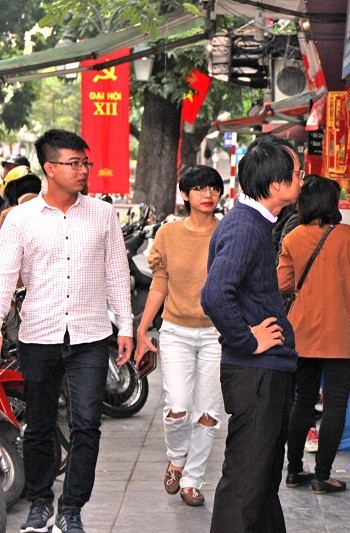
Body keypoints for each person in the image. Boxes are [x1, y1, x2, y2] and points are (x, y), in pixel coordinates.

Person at [0, 129, 133, 533]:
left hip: (91, 336)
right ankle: (40, 502)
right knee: (39, 424)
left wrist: (125, 326)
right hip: (39, 336)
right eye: (74, 163)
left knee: (87, 424)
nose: (83, 171)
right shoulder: (21, 219)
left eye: (85, 163)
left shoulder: (103, 214)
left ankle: (72, 508)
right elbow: (4, 277)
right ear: (50, 169)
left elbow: (116, 274)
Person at [200, 134, 301, 533]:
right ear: (275, 183)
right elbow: (213, 293)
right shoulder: (245, 228)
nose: (302, 180)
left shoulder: (257, 224)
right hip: (254, 370)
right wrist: (248, 339)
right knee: (247, 482)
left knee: (261, 481)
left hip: (264, 370)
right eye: (297, 173)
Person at [278, 175, 350, 494]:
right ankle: (323, 475)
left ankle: (294, 470)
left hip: (303, 330)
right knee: (335, 401)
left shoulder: (293, 238)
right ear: (333, 204)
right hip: (343, 330)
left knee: (302, 400)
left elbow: (282, 284)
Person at [134, 166, 225, 507]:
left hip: (217, 333)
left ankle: (192, 479)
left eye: (214, 188)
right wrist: (143, 328)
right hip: (175, 331)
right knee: (178, 407)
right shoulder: (169, 234)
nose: (208, 194)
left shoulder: (226, 231)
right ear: (185, 194)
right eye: (200, 188)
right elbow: (160, 282)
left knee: (208, 412)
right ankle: (176, 457)